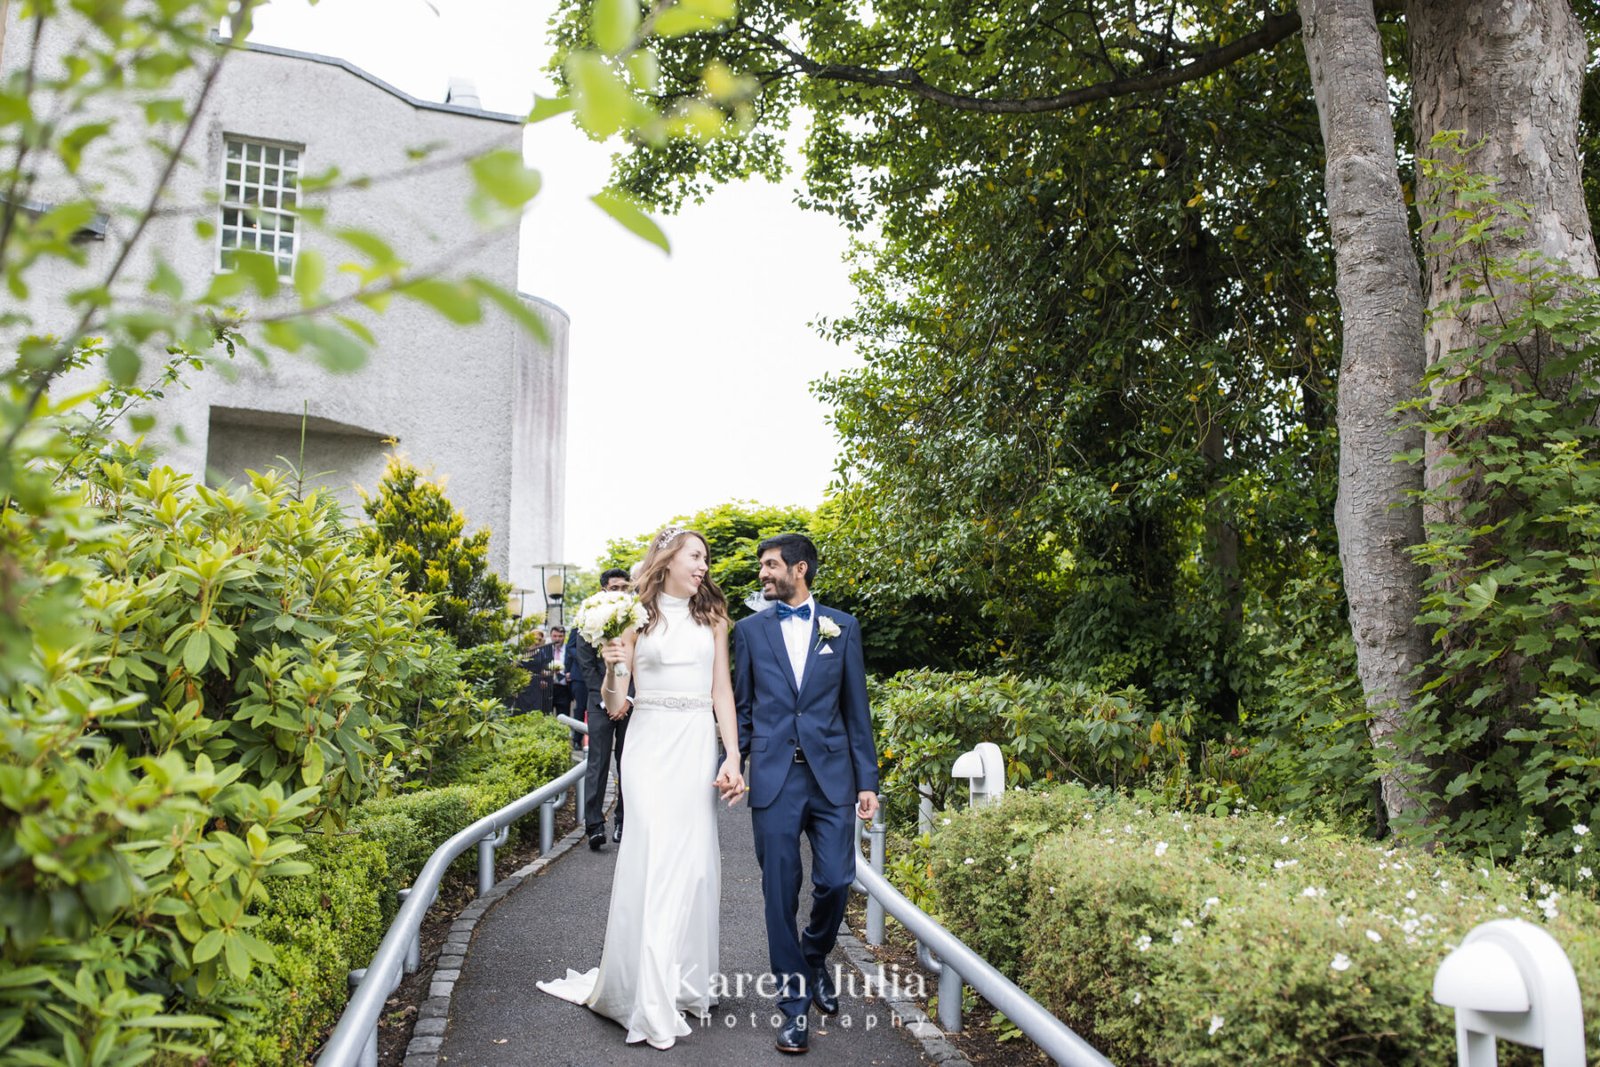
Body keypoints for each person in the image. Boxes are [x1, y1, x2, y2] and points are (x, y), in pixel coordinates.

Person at [537, 528, 746, 1051]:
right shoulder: (632, 617)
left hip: (697, 742)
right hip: (650, 745)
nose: (703, 566)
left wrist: (733, 756)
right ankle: (648, 997)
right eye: (696, 556)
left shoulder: (714, 617)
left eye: (705, 558)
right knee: (655, 857)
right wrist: (612, 668)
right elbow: (614, 704)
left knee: (693, 862)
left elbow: (722, 689)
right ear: (669, 559)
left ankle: (681, 980)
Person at [732, 533, 879, 1055]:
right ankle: (793, 1009)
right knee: (779, 893)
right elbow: (743, 710)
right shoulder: (748, 632)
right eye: (761, 566)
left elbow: (855, 709)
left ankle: (815, 956)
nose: (763, 574)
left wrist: (867, 781)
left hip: (832, 776)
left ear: (800, 569)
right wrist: (730, 762)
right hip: (773, 777)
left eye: (771, 565)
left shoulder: (844, 627)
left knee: (837, 880)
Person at [573, 568, 632, 849]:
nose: (620, 592)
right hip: (599, 701)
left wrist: (626, 699)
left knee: (628, 763)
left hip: (631, 704)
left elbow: (641, 665)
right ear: (603, 590)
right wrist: (607, 700)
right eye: (615, 587)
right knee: (597, 763)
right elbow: (586, 666)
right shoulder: (587, 620)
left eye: (625, 587)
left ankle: (623, 819)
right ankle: (594, 824)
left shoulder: (636, 618)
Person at [528, 625, 569, 716]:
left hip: (563, 689)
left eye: (560, 636)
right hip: (546, 687)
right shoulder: (543, 650)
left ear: (564, 637)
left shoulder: (569, 650)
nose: (557, 639)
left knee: (564, 717)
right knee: (545, 715)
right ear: (551, 636)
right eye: (555, 636)